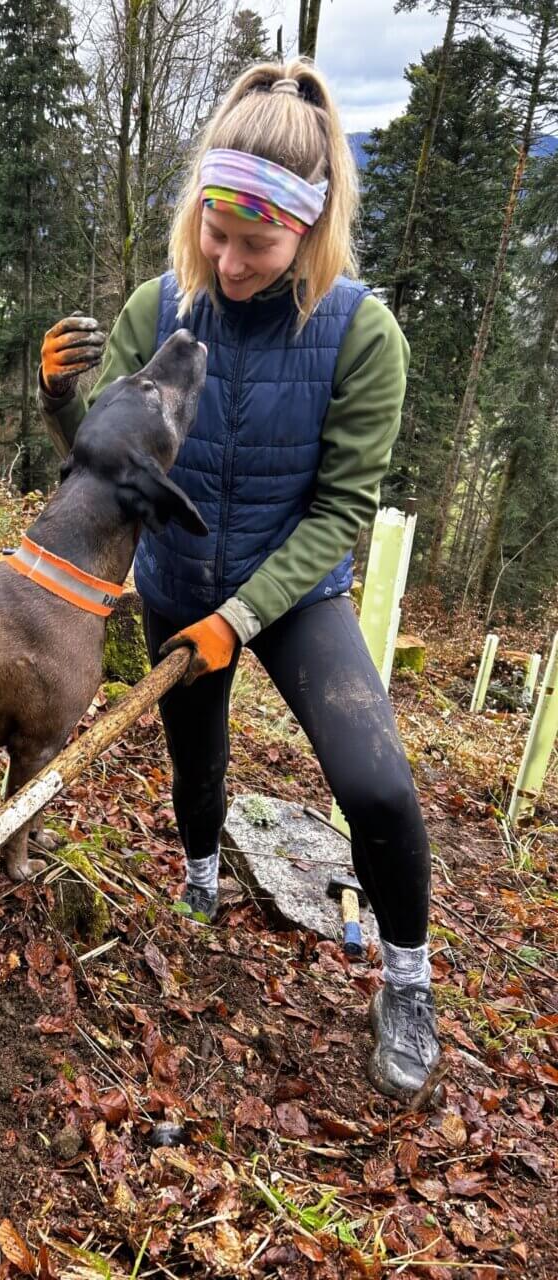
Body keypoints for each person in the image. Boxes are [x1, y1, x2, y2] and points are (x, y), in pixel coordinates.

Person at [38, 59, 439, 1099]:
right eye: (215, 232)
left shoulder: (363, 334)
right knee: (197, 765)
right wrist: (59, 401)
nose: (228, 260)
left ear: (310, 227)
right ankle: (202, 876)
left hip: (296, 594)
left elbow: (341, 511)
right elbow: (108, 464)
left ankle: (406, 980)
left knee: (376, 782)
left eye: (255, 244)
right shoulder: (160, 305)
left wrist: (244, 615)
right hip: (178, 578)